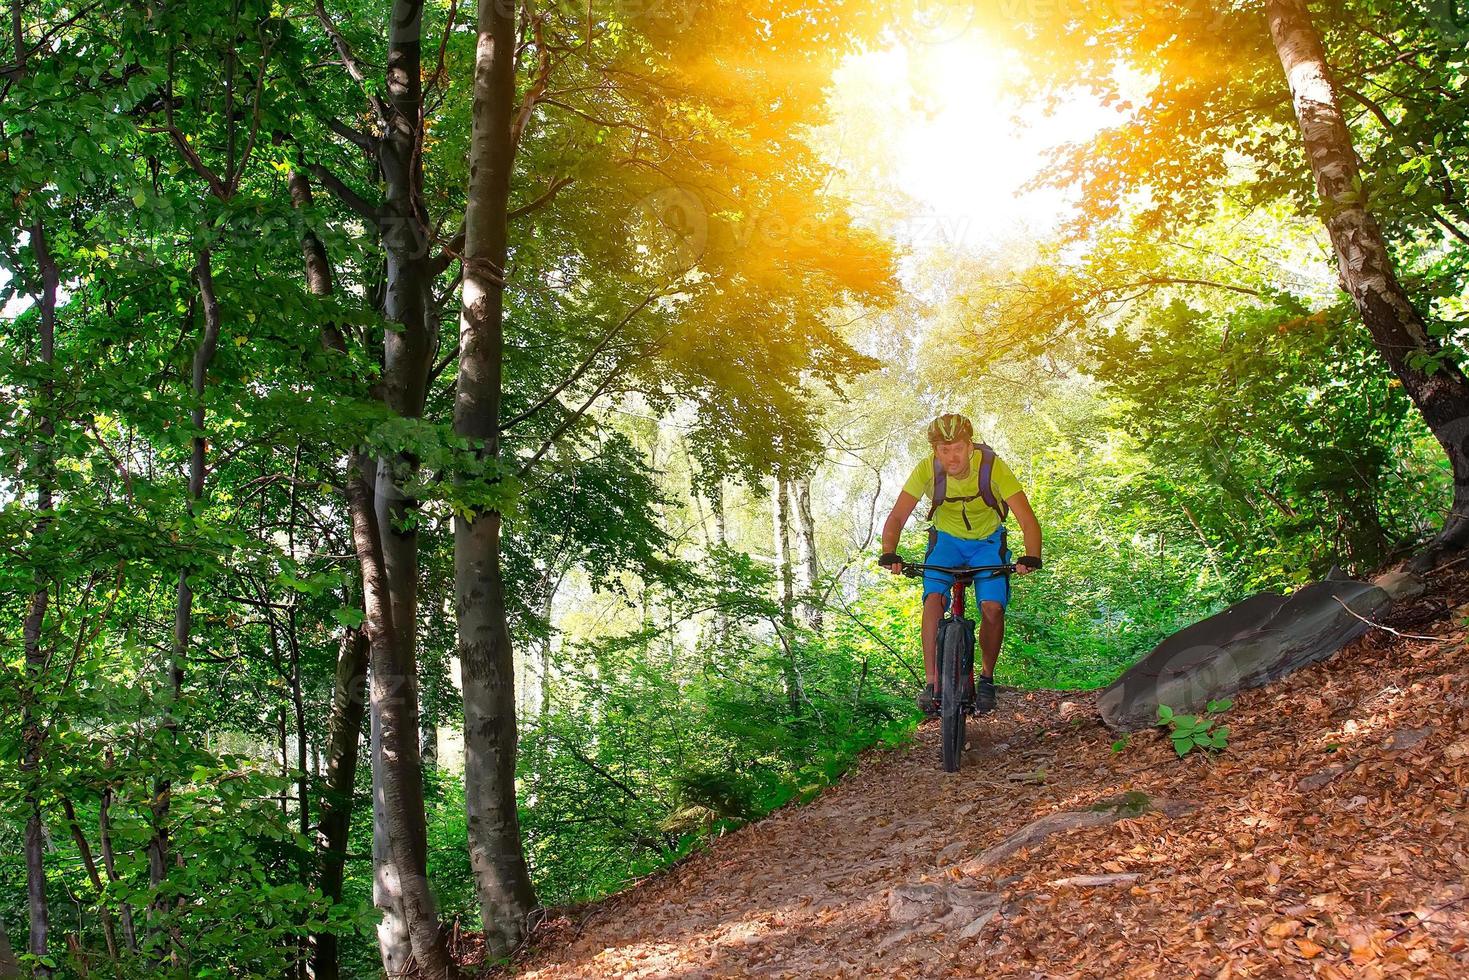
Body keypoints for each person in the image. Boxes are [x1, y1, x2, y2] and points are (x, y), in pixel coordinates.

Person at [878, 414, 1043, 716]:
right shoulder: (927, 470)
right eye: (943, 449)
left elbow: (1026, 517)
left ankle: (987, 679)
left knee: (993, 608)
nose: (951, 457)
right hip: (947, 542)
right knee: (933, 601)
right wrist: (890, 551)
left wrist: (1031, 555)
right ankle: (931, 684)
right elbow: (898, 515)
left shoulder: (992, 467)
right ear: (935, 450)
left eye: (956, 448)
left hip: (987, 543)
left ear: (969, 446)